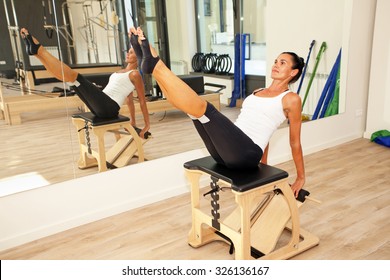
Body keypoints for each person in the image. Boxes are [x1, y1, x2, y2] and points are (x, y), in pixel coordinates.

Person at [130, 26, 306, 196]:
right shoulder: (258, 91)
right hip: (227, 152)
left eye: (283, 63)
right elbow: (264, 131)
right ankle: (152, 62)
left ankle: (155, 65)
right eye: (276, 61)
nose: (276, 64)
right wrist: (264, 164)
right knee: (191, 111)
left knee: (206, 109)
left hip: (245, 154)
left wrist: (300, 177)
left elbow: (295, 142)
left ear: (293, 72)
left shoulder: (291, 99)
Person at [20, 28, 151, 139]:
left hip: (108, 107)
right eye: (128, 51)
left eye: (132, 52)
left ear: (138, 57)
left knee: (75, 76)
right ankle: (38, 54)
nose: (128, 54)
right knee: (71, 80)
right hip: (103, 105)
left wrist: (146, 125)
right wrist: (132, 121)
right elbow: (129, 101)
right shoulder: (122, 71)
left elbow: (142, 101)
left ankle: (40, 50)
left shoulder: (135, 74)